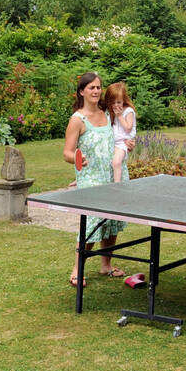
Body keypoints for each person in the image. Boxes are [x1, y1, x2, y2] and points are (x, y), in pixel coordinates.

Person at [64, 72, 132, 287]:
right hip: (92, 179)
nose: (96, 91)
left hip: (113, 175)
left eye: (98, 87)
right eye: (91, 87)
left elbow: (121, 135)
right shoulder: (77, 120)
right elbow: (67, 152)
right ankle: (77, 269)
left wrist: (128, 144)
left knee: (112, 221)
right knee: (91, 224)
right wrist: (78, 159)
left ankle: (106, 265)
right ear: (82, 91)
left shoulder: (107, 112)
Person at [103, 81, 136, 183]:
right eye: (113, 103)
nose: (116, 105)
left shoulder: (128, 111)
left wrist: (120, 116)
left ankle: (117, 183)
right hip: (112, 142)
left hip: (123, 142)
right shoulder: (109, 112)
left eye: (118, 102)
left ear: (123, 100)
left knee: (116, 162)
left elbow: (128, 128)